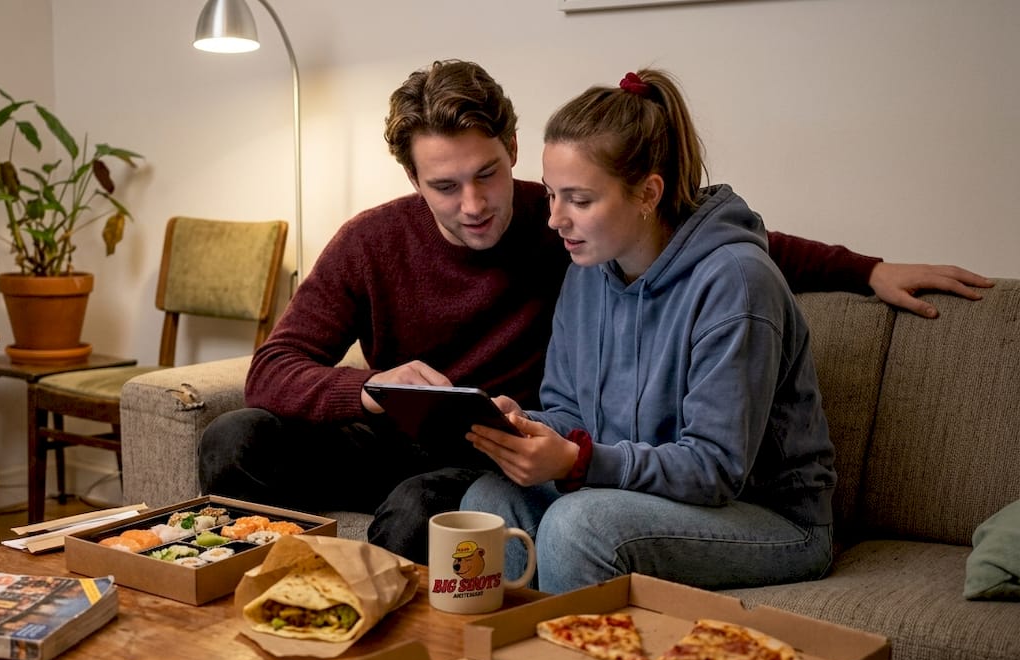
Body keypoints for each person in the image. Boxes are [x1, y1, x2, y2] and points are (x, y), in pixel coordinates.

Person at [198, 60, 992, 565]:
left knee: (444, 513)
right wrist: (369, 389)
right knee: (235, 437)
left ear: (513, 149)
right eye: (444, 186)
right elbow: (274, 368)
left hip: (503, 457)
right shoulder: (556, 248)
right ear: (411, 178)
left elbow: (717, 239)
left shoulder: (575, 224)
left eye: (490, 174)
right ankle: (281, 599)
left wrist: (870, 268)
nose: (475, 205)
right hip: (437, 435)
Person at [462, 68, 841, 594]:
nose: (555, 220)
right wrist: (523, 426)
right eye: (552, 195)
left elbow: (715, 469)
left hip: (768, 518)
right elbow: (572, 412)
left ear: (648, 193)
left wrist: (577, 460)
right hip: (640, 496)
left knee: (579, 529)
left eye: (579, 199)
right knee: (487, 504)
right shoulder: (586, 272)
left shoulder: (736, 283)